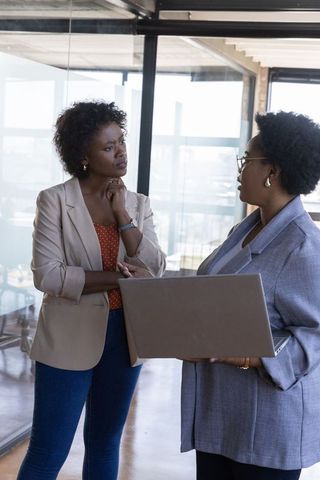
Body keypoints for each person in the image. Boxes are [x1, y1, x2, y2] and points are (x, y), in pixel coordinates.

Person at [17, 100, 166, 480]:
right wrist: (119, 278)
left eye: (121, 142)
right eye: (108, 146)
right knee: (48, 449)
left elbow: (155, 268)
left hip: (125, 337)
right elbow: (47, 276)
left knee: (104, 443)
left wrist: (123, 217)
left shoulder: (137, 204)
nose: (120, 152)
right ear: (83, 155)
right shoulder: (54, 200)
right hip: (67, 339)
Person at [181, 111, 320, 480]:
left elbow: (315, 337)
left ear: (271, 172)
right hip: (222, 415)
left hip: (267, 428)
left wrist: (244, 355)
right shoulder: (246, 228)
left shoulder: (303, 247)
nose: (240, 171)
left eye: (246, 161)